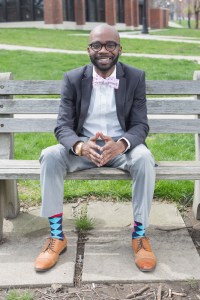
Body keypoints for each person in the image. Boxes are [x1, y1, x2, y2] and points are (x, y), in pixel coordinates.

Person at [34, 24, 156, 273]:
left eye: (110, 44)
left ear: (120, 48)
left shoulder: (135, 77)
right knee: (49, 155)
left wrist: (121, 145)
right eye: (97, 45)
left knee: (144, 158)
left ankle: (140, 235)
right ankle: (57, 236)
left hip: (121, 149)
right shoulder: (72, 78)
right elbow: (62, 127)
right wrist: (80, 145)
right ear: (88, 49)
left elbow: (141, 126)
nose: (104, 50)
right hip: (84, 149)